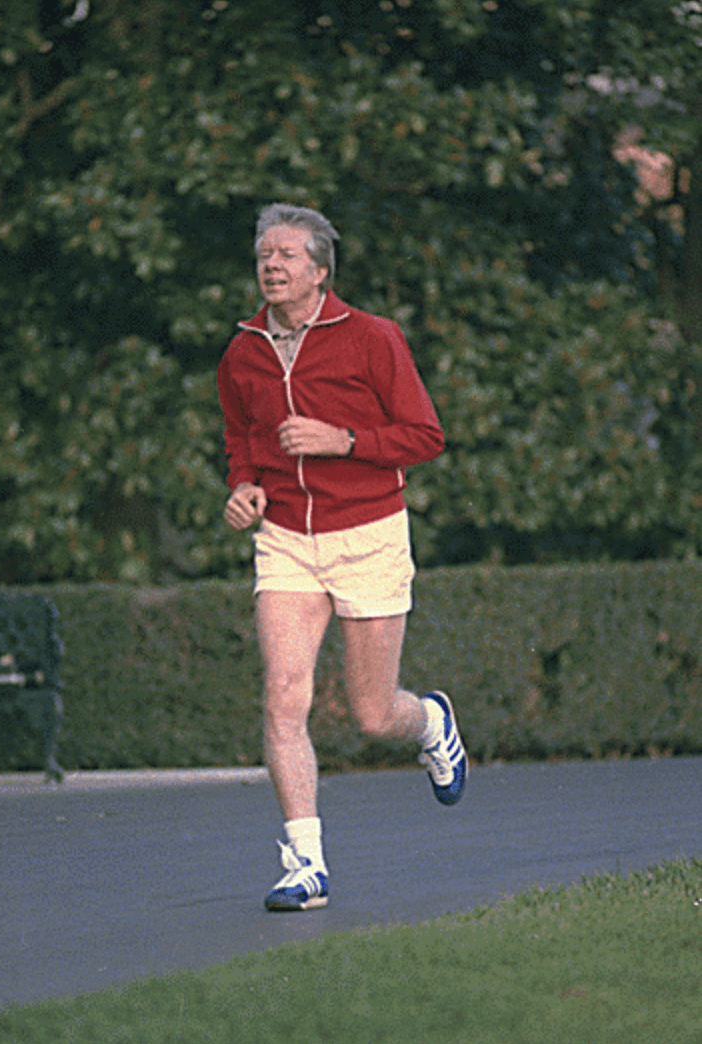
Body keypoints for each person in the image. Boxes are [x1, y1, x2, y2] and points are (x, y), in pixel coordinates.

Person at [218, 203, 467, 912]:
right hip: (288, 540)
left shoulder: (372, 339)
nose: (271, 264)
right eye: (265, 253)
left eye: (287, 254)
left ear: (320, 272)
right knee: (284, 696)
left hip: (368, 531)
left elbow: (424, 435)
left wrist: (344, 440)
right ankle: (305, 866)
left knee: (371, 713)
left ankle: (430, 722)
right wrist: (245, 489)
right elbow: (242, 438)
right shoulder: (241, 352)